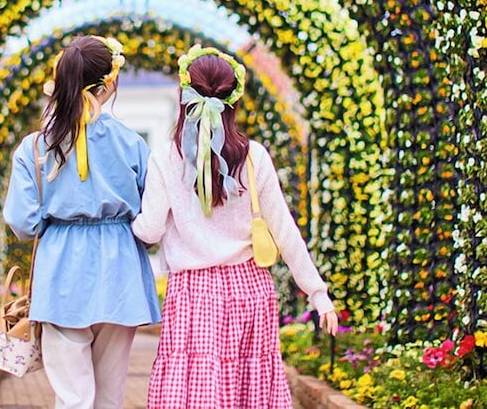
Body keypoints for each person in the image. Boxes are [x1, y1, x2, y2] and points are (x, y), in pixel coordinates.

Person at [132, 45, 339, 409]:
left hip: (193, 294)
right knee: (248, 392)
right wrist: (317, 294)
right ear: (234, 100)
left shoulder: (166, 157)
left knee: (195, 393)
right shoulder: (253, 156)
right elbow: (284, 231)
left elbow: (149, 231)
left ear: (185, 98)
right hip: (249, 290)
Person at [3, 35, 161, 409]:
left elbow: (22, 222)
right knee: (110, 396)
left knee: (72, 396)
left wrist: (56, 220)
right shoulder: (133, 144)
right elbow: (152, 216)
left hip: (61, 273)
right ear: (110, 83)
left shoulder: (35, 146)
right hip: (121, 272)